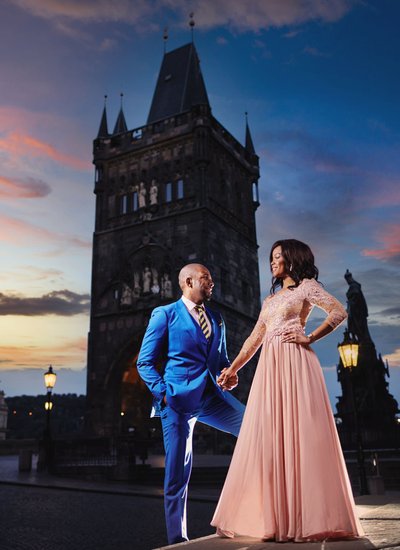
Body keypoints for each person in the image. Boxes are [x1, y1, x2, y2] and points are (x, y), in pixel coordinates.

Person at [212, 239, 364, 542]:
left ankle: (305, 517)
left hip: (295, 363)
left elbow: (337, 312)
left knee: (300, 432)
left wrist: (309, 338)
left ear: (292, 260)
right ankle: (275, 518)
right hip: (270, 368)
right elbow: (254, 339)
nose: (272, 262)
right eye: (271, 257)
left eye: (278, 256)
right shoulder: (270, 301)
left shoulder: (306, 287)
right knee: (271, 434)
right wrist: (233, 369)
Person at [137, 263, 245, 545]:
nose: (212, 282)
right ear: (188, 282)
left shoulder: (218, 318)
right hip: (177, 403)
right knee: (177, 474)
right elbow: (144, 361)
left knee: (255, 428)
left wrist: (228, 375)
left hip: (212, 398)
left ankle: (244, 511)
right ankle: (177, 540)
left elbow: (220, 361)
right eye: (206, 278)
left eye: (211, 277)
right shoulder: (165, 314)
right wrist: (163, 394)